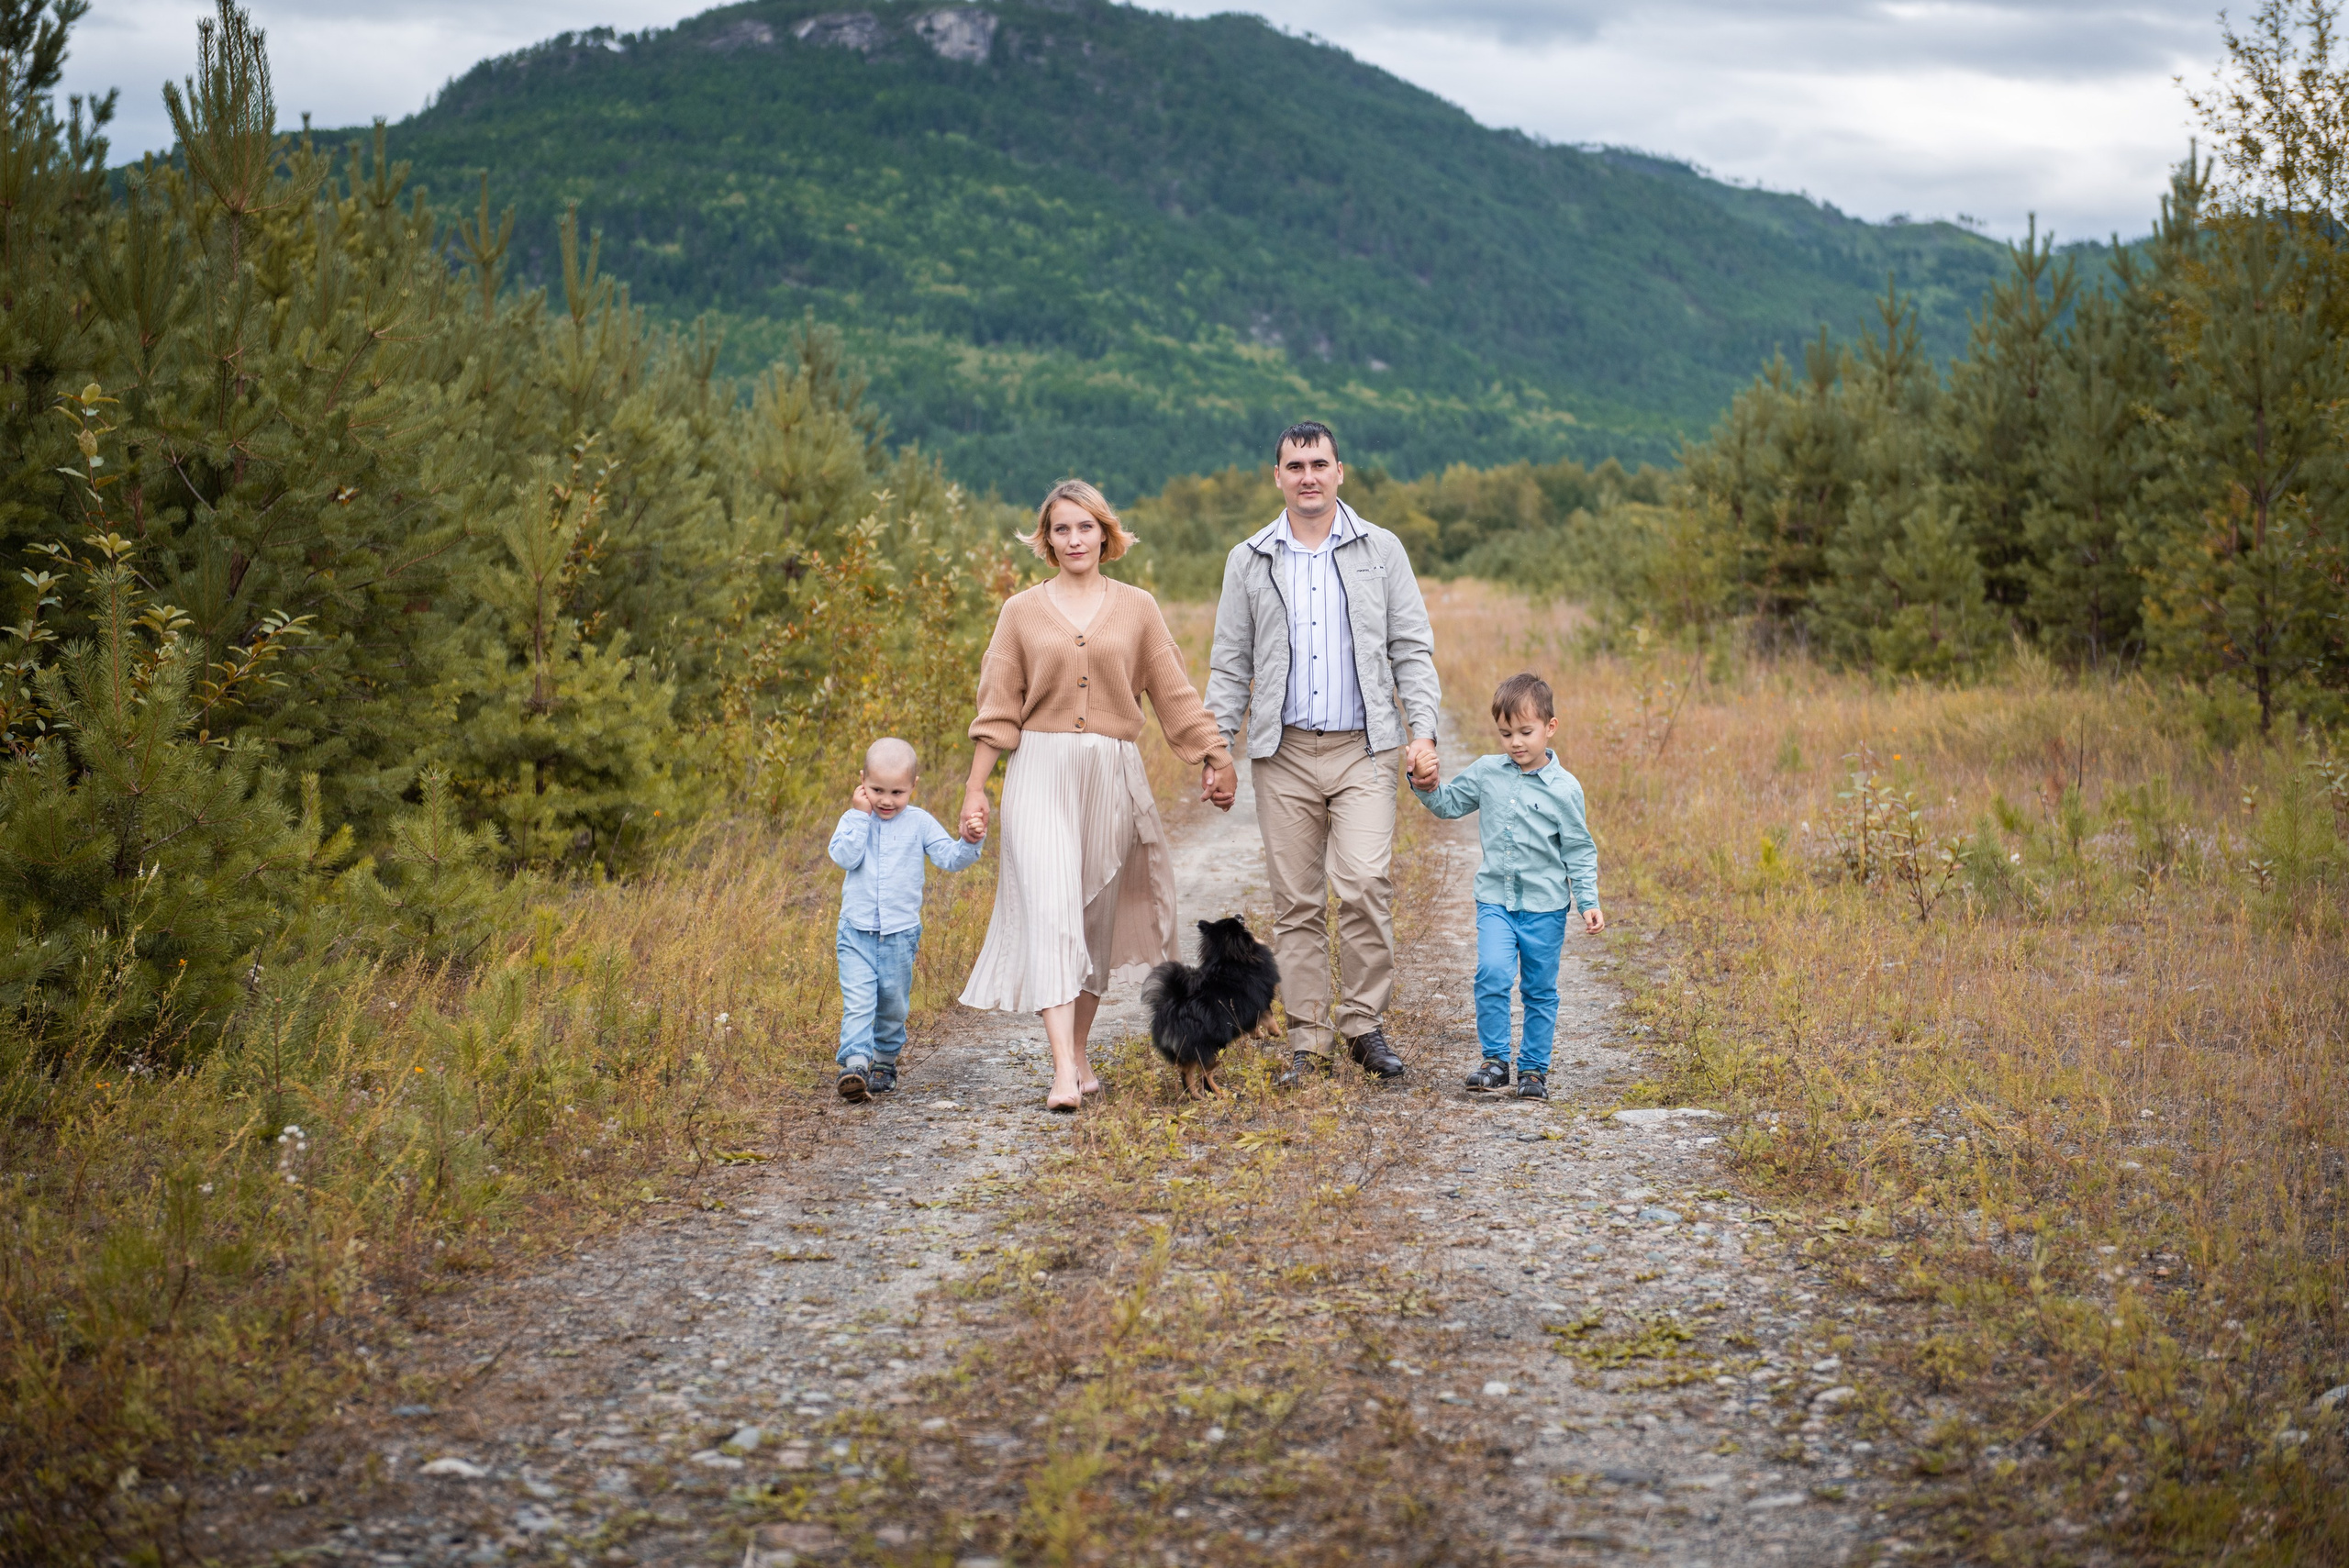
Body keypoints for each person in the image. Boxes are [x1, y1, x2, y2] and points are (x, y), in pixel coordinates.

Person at [959, 480, 1238, 1112]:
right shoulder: (1020, 611)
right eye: (1062, 529)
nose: (1074, 539)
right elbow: (998, 707)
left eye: (1086, 527)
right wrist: (976, 787)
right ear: (1047, 538)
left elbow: (1172, 692)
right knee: (1052, 911)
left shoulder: (1137, 606)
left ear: (1105, 534)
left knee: (1092, 920)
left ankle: (1080, 1051)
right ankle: (1062, 1071)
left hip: (1111, 772)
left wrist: (1215, 754)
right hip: (1040, 770)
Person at [1205, 421, 1441, 1085]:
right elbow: (1229, 666)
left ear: (1341, 472)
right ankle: (1309, 1039)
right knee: (1297, 902)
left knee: (1365, 883)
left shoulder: (1380, 551)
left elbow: (1411, 648)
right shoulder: (1248, 558)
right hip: (1283, 753)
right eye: (1294, 465)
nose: (1308, 475)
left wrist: (1421, 729)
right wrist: (1217, 747)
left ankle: (1364, 1025)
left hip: (1363, 748)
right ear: (1276, 476)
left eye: (1319, 463)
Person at [1407, 673, 1603, 1102]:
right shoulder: (1487, 772)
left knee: (1538, 989)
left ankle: (1533, 1070)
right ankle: (1495, 1061)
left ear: (1550, 727)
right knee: (1492, 973)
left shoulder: (1565, 789)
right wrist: (1425, 782)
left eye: (1525, 732)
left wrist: (1588, 900)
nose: (1515, 742)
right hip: (1496, 900)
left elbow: (1578, 847)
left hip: (1545, 909)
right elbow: (1449, 804)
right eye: (1506, 733)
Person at [829, 737, 986, 1103]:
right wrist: (858, 815)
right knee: (858, 1001)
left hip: (899, 936)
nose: (886, 800)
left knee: (893, 1003)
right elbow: (845, 858)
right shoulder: (855, 819)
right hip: (856, 933)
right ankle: (854, 1065)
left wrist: (969, 841)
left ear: (914, 786)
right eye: (877, 789)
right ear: (862, 782)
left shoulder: (919, 823)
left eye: (897, 791)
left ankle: (884, 1060)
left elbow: (950, 858)